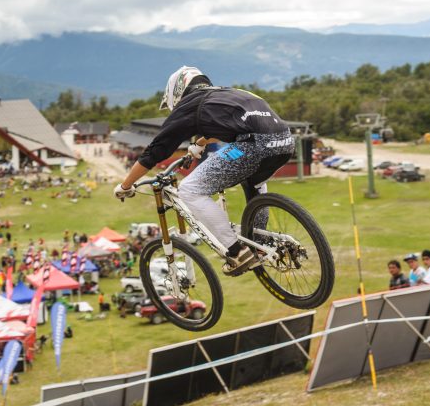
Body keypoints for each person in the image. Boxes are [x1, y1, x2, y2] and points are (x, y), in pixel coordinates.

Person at [113, 66, 294, 276]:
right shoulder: (225, 93)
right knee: (253, 178)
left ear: (177, 91)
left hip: (253, 146)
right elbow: (225, 126)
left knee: (190, 189)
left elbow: (156, 151)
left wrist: (125, 185)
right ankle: (260, 242)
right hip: (285, 142)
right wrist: (199, 144)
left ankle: (237, 252)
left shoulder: (190, 105)